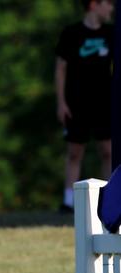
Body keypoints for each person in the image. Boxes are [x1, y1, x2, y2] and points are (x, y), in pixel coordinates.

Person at [55, 0, 115, 213]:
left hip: (104, 102)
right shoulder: (72, 33)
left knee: (109, 151)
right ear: (93, 5)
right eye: (107, 3)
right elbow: (61, 68)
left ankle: (111, 201)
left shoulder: (111, 33)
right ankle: (68, 201)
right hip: (76, 102)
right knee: (74, 152)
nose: (111, 9)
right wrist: (61, 102)